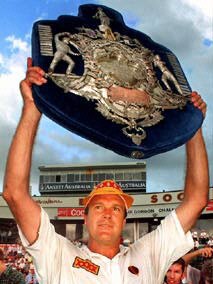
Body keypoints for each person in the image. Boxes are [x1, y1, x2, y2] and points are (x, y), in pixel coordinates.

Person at [3, 57, 209, 284]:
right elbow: (15, 193)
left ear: (124, 220)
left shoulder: (149, 253)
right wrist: (32, 107)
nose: (107, 214)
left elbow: (197, 199)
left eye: (116, 209)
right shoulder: (58, 254)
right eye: (99, 206)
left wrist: (193, 127)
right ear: (85, 217)